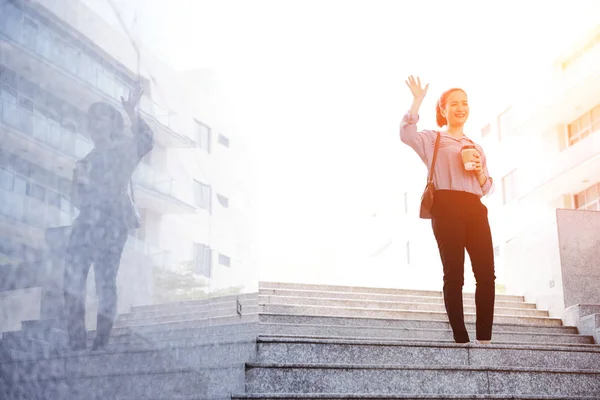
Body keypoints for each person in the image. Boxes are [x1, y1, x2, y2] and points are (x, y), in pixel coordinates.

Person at [399, 75, 495, 344]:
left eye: (464, 103)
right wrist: (417, 100)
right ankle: (460, 336)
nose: (460, 108)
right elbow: (406, 134)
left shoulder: (476, 146)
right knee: (455, 273)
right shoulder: (433, 139)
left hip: (475, 208)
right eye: (454, 103)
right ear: (443, 110)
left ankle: (485, 337)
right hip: (446, 206)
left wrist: (478, 174)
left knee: (486, 274)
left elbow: (486, 186)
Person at [63, 83, 154, 351]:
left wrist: (132, 113)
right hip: (85, 225)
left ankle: (101, 342)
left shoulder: (122, 151)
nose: (94, 123)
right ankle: (76, 342)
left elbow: (146, 141)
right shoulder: (84, 161)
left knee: (105, 280)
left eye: (100, 117)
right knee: (71, 282)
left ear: (111, 123)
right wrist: (80, 183)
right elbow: (77, 200)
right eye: (91, 119)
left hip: (112, 223)